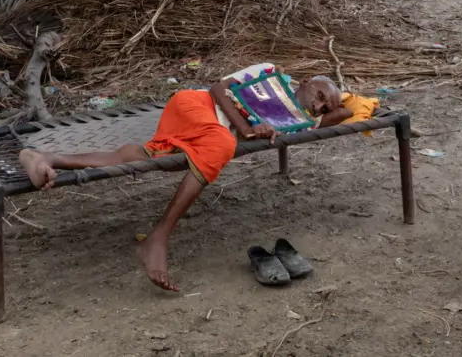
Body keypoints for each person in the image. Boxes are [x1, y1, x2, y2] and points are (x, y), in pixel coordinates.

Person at [18, 63, 350, 291]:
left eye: (324, 107)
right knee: (223, 144)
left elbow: (347, 111)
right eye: (320, 96)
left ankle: (47, 157)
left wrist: (339, 102)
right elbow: (218, 88)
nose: (319, 106)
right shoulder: (269, 75)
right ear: (305, 82)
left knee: (145, 158)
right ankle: (158, 238)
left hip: (207, 135)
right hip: (196, 106)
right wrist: (248, 129)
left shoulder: (299, 119)